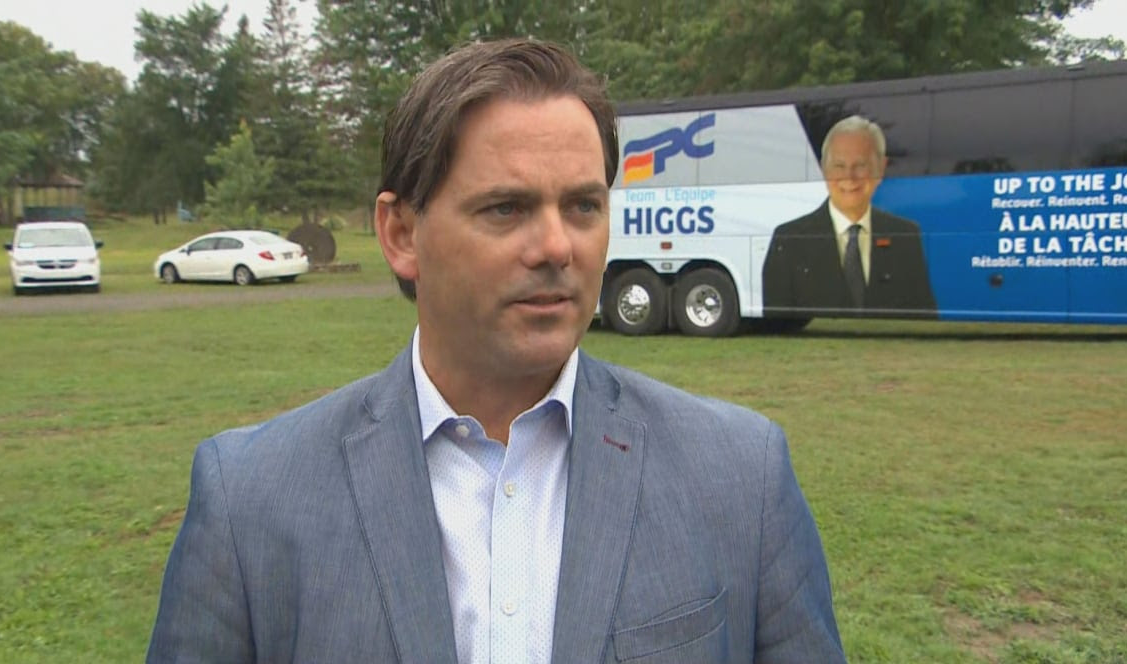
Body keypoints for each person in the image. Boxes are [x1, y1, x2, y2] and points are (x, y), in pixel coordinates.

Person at [147, 39, 845, 664]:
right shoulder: (251, 500)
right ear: (400, 233)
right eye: (506, 208)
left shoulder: (740, 476)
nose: (555, 248)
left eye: (582, 206)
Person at [762, 115, 937, 317]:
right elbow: (777, 318)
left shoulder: (905, 235)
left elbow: (923, 315)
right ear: (824, 169)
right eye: (839, 166)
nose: (849, 177)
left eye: (860, 166)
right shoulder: (789, 239)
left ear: (880, 168)